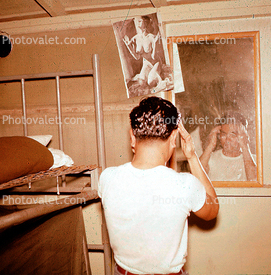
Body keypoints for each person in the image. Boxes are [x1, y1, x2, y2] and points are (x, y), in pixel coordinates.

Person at [98, 96, 219, 275]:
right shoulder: (184, 185)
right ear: (173, 138)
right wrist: (192, 156)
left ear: (132, 136)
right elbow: (213, 210)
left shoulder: (107, 178)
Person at [200, 112, 257, 181]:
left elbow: (254, 181)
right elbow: (196, 178)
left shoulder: (253, 160)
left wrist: (245, 146)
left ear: (243, 136)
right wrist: (210, 145)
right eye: (224, 135)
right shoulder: (209, 159)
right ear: (219, 135)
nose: (227, 140)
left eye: (233, 135)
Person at [123, 16, 168, 92]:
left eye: (140, 21)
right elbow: (137, 57)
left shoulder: (151, 37)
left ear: (145, 22)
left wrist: (156, 43)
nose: (138, 23)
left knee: (151, 82)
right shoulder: (135, 38)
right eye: (138, 21)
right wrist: (128, 45)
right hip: (146, 64)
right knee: (142, 82)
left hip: (155, 63)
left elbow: (154, 57)